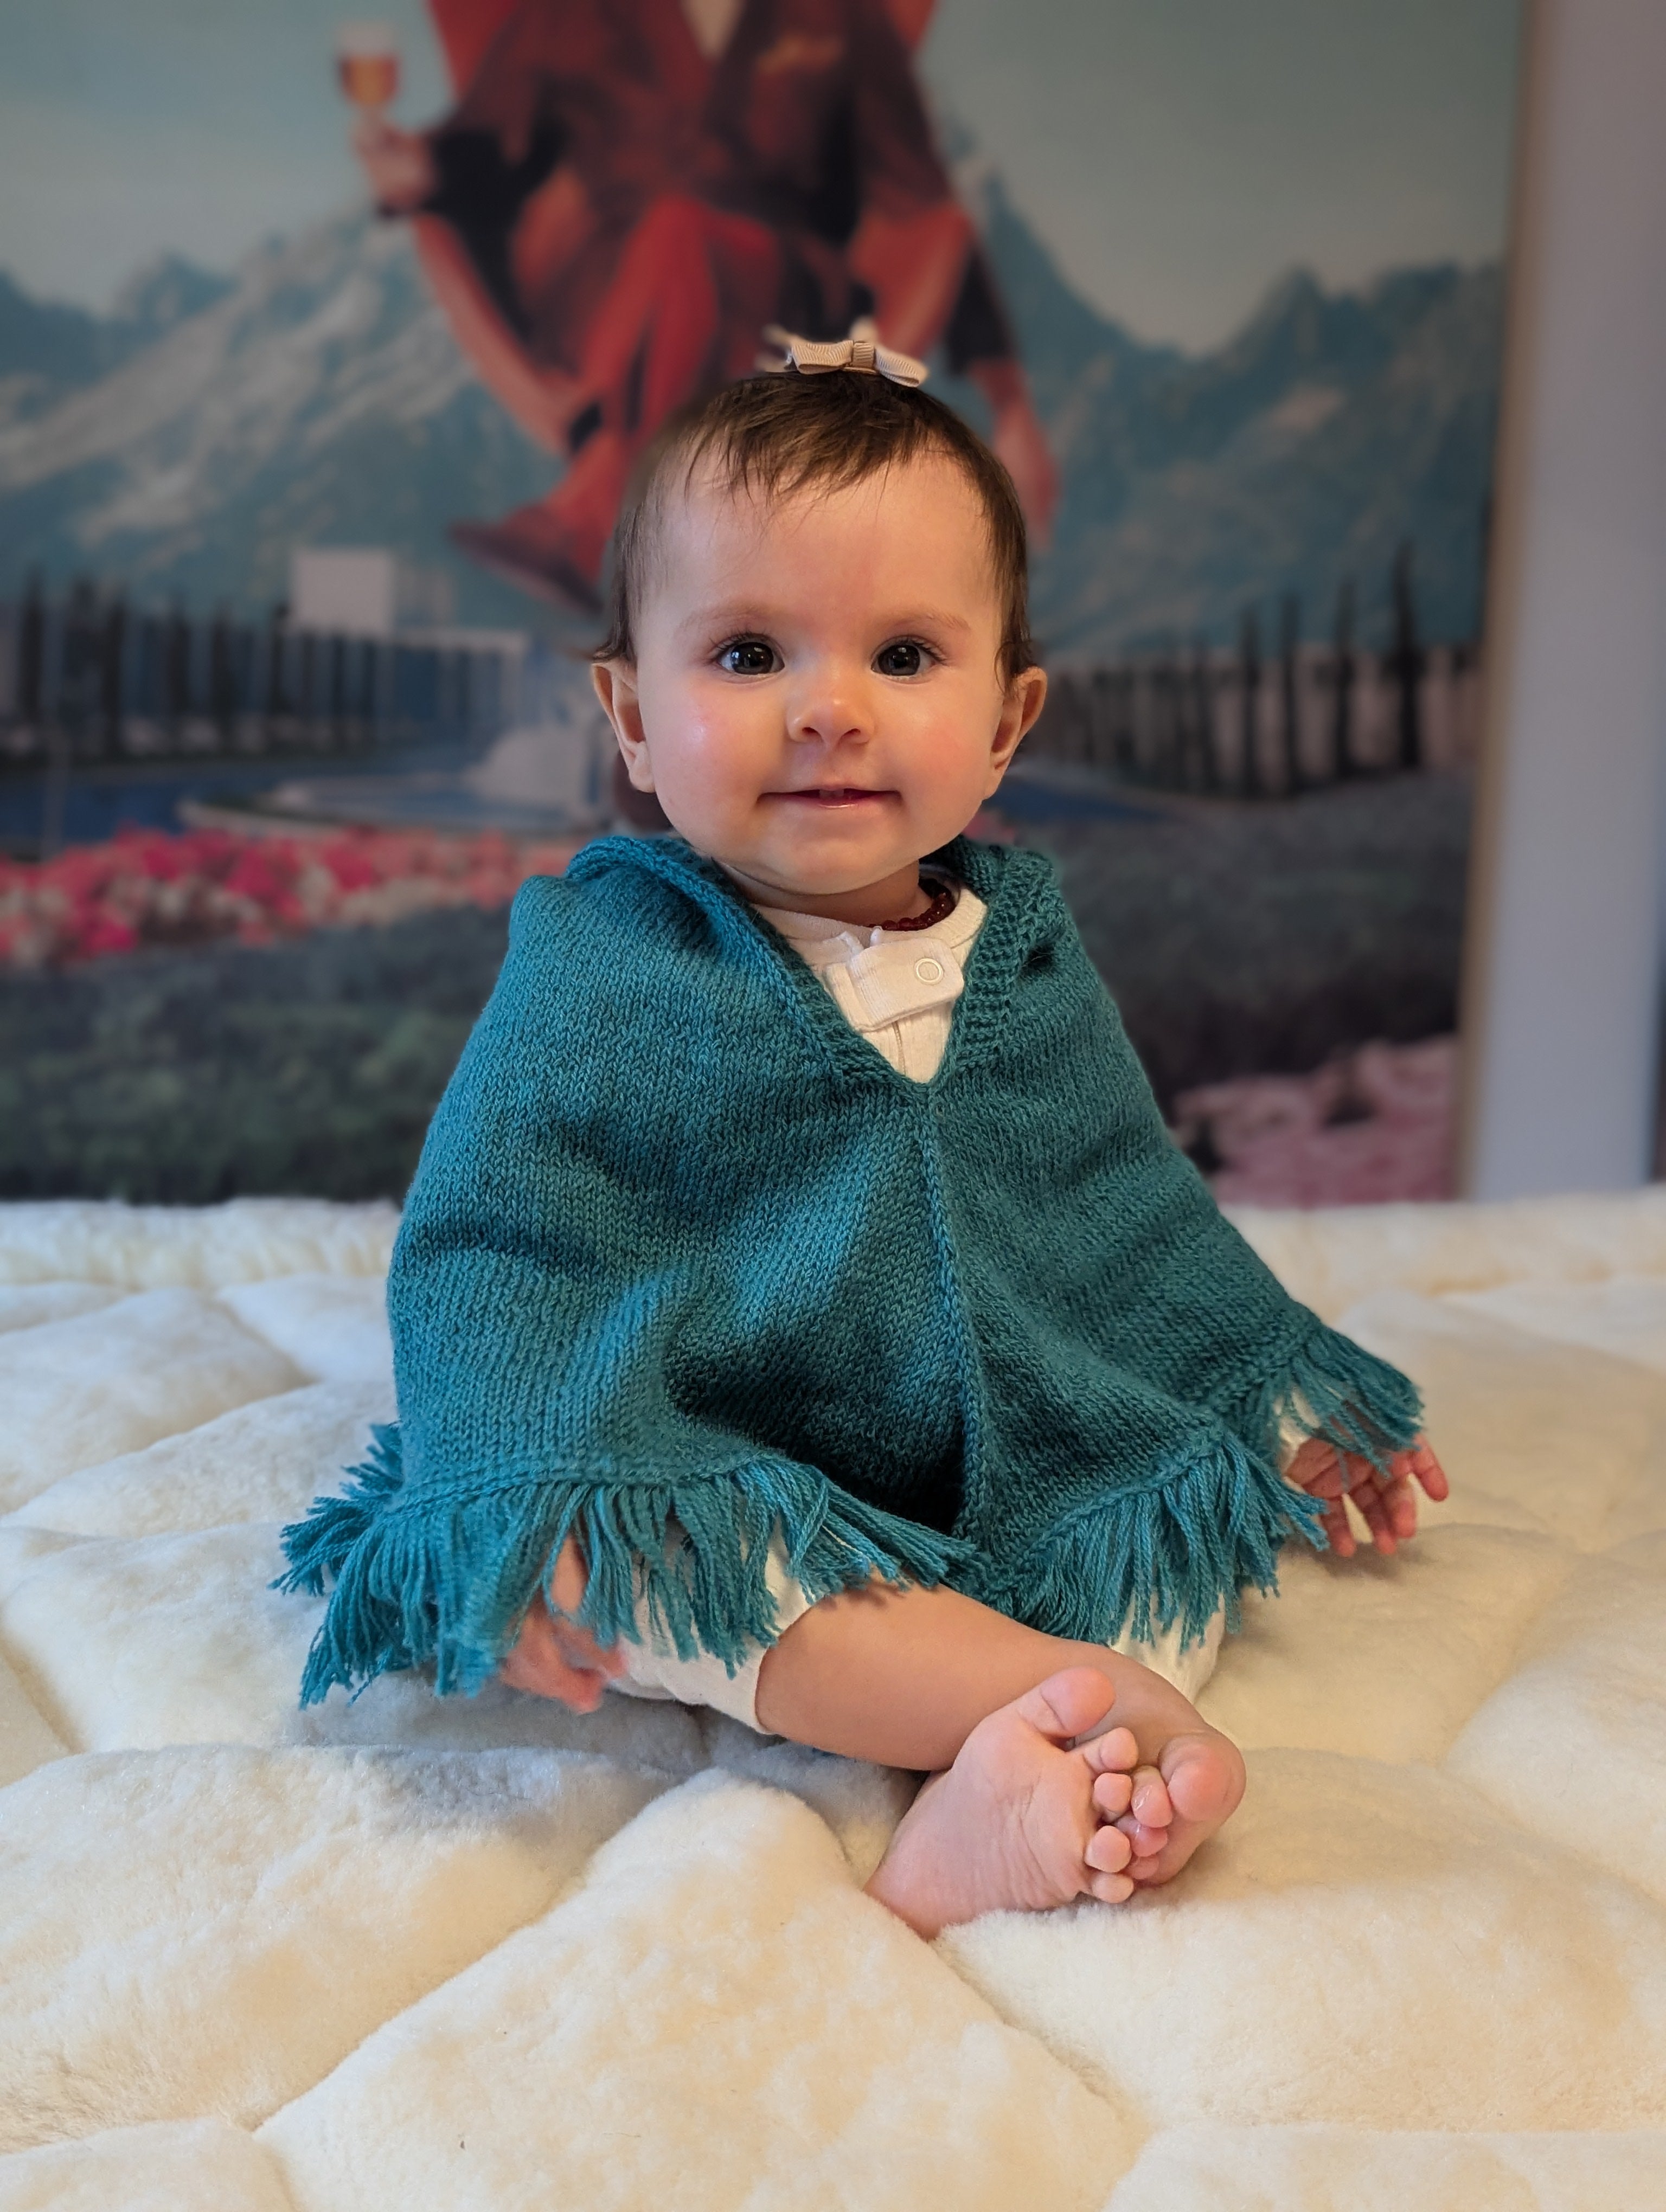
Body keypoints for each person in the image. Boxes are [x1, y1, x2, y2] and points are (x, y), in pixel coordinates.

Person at [279, 351, 1446, 1938]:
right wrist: (527, 1499)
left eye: (904, 653)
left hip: (1016, 1460)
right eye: (750, 651)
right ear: (629, 711)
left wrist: (1278, 1396)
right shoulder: (607, 970)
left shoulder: (1022, 957)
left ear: (1008, 720)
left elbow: (1118, 1212)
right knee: (657, 1588)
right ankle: (1058, 1703)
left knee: (1169, 1536)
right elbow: (504, 1250)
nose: (829, 707)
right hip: (737, 1458)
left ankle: (1009, 1774)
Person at [355, 0, 1056, 611]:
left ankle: (591, 508)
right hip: (600, 296)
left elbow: (922, 209)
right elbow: (491, 150)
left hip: (781, 292)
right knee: (673, 232)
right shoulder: (572, 10)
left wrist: (1012, 403)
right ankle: (680, 584)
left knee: (684, 228)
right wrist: (423, 172)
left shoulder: (836, 16)